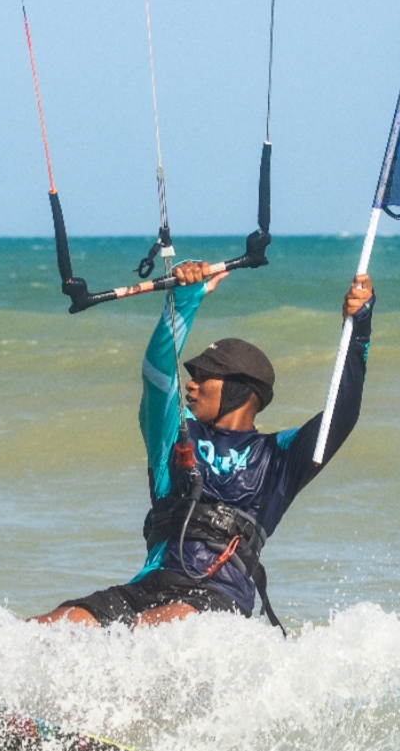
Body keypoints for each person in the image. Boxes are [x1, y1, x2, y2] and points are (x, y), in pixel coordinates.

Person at [32, 260, 374, 630]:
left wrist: (358, 330)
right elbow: (157, 371)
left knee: (149, 630)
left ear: (242, 389)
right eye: (191, 376)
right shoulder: (177, 432)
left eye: (204, 376)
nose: (191, 385)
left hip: (218, 598)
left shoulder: (278, 457)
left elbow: (341, 414)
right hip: (147, 587)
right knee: (46, 630)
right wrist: (184, 301)